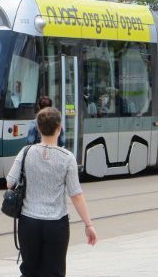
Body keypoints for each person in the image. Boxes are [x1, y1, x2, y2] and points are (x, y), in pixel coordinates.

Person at [7, 107, 97, 277]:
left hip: (29, 222)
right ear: (59, 128)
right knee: (54, 272)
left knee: (29, 271)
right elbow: (76, 194)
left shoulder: (25, 152)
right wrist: (88, 224)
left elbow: (10, 183)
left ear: (39, 128)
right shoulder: (67, 157)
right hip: (56, 225)